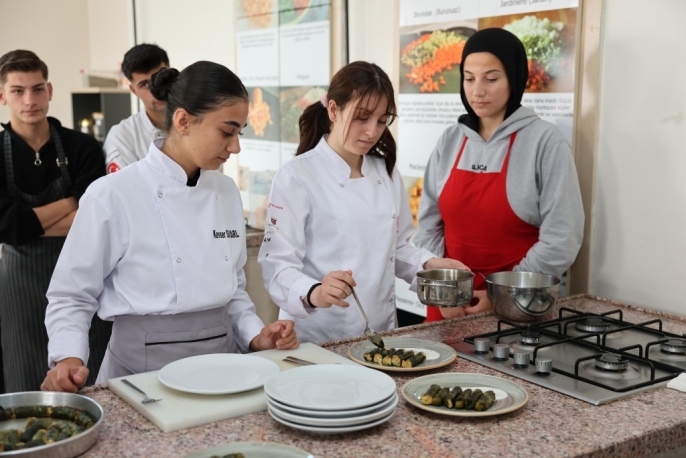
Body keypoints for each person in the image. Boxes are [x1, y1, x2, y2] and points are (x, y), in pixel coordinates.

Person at [41, 61, 299, 393]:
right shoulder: (112, 194)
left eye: (240, 133)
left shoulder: (225, 191)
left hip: (225, 367)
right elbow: (72, 294)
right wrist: (68, 359)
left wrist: (255, 336)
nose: (235, 147)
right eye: (227, 131)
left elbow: (233, 289)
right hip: (140, 373)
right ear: (183, 121)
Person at [257, 61, 467, 344]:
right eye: (362, 118)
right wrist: (315, 291)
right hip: (318, 336)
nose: (372, 132)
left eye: (381, 121)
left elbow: (395, 248)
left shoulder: (386, 172)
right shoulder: (296, 176)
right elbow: (277, 265)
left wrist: (429, 264)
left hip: (381, 333)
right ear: (334, 110)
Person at [413, 28, 584, 322]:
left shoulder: (544, 141)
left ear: (514, 79)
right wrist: (444, 289)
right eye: (469, 78)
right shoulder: (450, 140)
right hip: (448, 305)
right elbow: (428, 225)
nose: (478, 91)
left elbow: (562, 235)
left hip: (520, 306)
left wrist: (502, 295)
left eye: (491, 79)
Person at [0, 50, 110, 392]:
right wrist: (71, 201)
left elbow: (95, 219)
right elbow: (8, 228)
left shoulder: (83, 147)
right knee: (25, 378)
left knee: (90, 377)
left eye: (37, 89)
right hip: (21, 286)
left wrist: (26, 223)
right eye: (18, 91)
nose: (29, 100)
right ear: (2, 96)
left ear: (49, 90)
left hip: (84, 277)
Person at [103, 44, 169, 174]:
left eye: (161, 79)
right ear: (133, 90)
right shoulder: (122, 137)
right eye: (145, 84)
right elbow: (126, 185)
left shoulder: (199, 121)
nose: (156, 91)